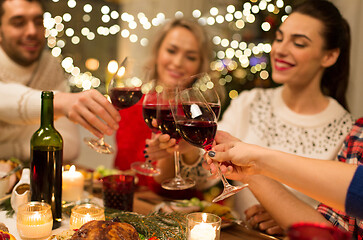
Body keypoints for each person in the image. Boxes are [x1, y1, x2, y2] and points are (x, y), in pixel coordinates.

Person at [152, 0, 355, 234]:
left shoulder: (347, 130)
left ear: (329, 56)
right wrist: (186, 150)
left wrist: (289, 218)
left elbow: (343, 226)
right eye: (279, 38)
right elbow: (204, 176)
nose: (280, 49)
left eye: (298, 43)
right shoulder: (250, 102)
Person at [0, 0, 120, 163]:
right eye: (19, 23)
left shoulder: (49, 64)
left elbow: (69, 145)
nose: (32, 31)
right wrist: (60, 102)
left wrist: (6, 151)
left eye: (38, 22)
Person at [114, 18, 224, 192]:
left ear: (200, 64)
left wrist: (176, 152)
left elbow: (184, 187)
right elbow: (122, 169)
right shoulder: (134, 108)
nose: (178, 62)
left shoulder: (198, 115)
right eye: (171, 51)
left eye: (190, 57)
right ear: (158, 53)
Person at [205, 117, 363, 237]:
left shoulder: (345, 125)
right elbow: (331, 232)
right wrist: (249, 172)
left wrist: (258, 159)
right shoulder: (358, 132)